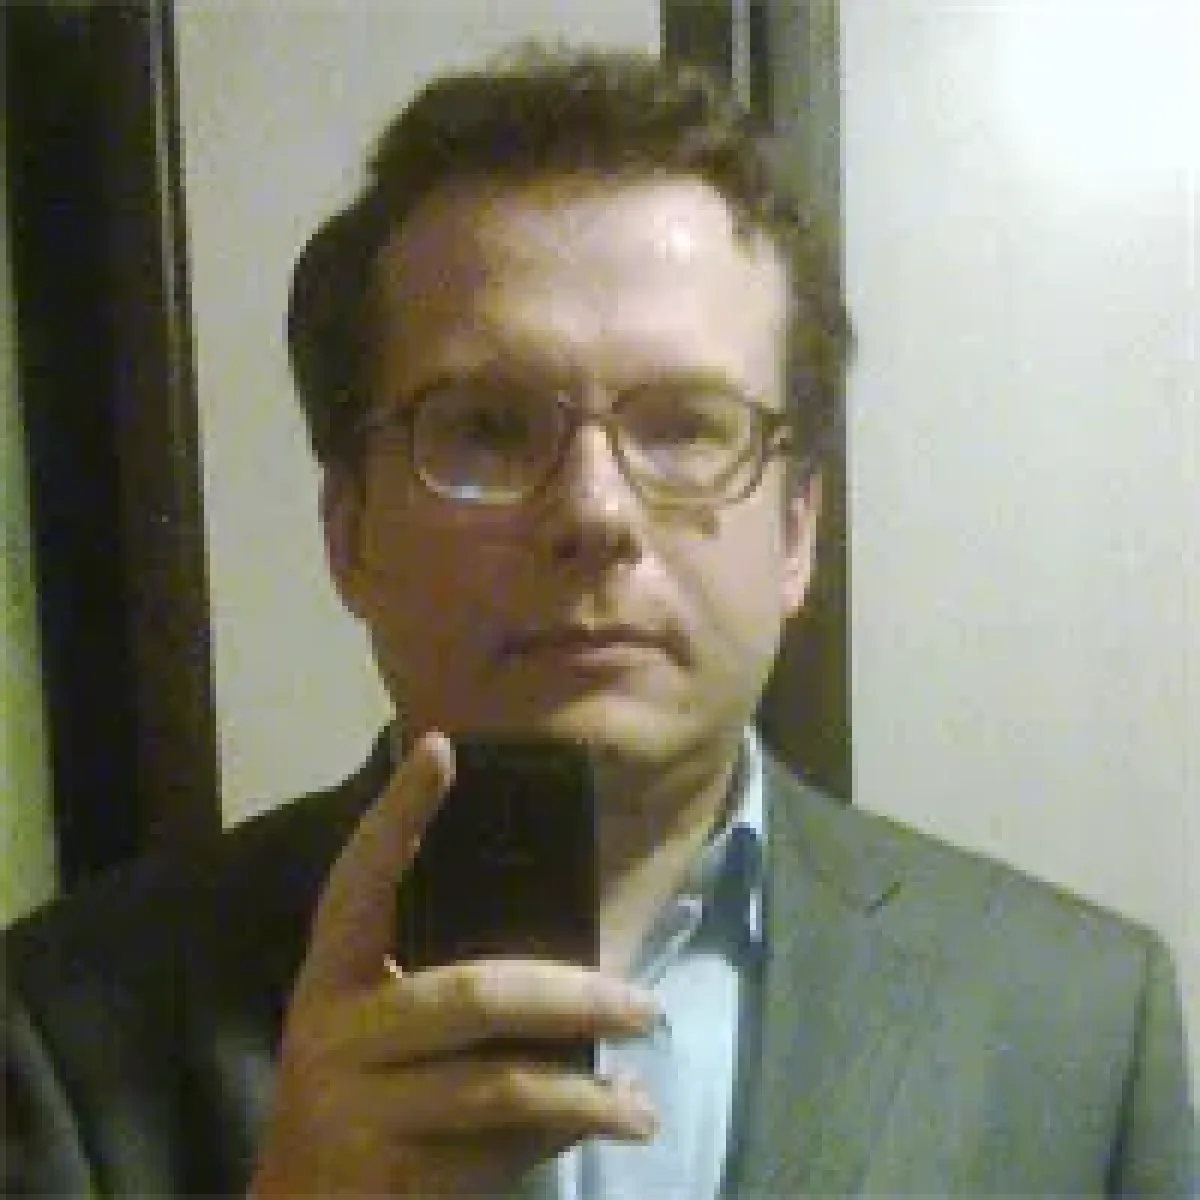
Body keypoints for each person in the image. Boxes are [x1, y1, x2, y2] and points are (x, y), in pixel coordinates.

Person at [0, 44, 1195, 1200]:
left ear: (795, 532)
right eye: (486, 427)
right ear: (349, 531)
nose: (594, 511)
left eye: (685, 426)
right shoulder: (66, 1026)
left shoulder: (1077, 1020)